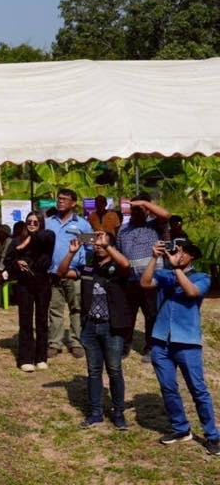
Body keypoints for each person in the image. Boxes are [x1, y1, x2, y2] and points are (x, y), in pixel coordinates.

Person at [141, 239, 219, 455]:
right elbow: (145, 283)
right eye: (176, 251)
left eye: (182, 252)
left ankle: (213, 436)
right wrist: (155, 257)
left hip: (187, 342)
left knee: (198, 390)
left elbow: (192, 292)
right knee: (168, 388)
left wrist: (176, 268)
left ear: (192, 256)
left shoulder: (202, 277)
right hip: (160, 340)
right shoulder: (166, 275)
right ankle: (181, 429)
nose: (178, 254)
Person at [57, 230, 131, 430]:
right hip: (90, 326)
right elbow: (62, 272)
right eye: (96, 242)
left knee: (114, 370)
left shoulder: (118, 266)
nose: (98, 244)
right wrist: (72, 252)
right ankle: (96, 412)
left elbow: (126, 265)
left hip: (112, 326)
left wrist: (107, 246)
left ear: (111, 245)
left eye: (102, 241)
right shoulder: (89, 266)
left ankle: (118, 413)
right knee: (93, 371)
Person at [119, 194, 170, 360]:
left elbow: (166, 215)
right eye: (133, 210)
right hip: (130, 279)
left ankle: (151, 347)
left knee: (151, 314)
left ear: (147, 210)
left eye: (139, 209)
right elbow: (120, 252)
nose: (135, 213)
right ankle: (125, 346)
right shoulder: (123, 229)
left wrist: (143, 202)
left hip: (152, 279)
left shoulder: (154, 225)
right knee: (127, 314)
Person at [3, 215, 54, 372]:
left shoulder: (46, 239)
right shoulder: (16, 240)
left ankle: (41, 357)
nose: (32, 224)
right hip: (24, 285)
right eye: (29, 222)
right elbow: (8, 260)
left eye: (35, 222)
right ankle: (25, 358)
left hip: (42, 284)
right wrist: (17, 263)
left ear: (41, 224)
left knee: (42, 321)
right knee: (25, 321)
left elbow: (49, 237)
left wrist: (28, 241)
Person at [45, 188, 91, 359]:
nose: (60, 201)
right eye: (59, 198)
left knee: (77, 309)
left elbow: (91, 249)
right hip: (53, 274)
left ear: (73, 203)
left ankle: (76, 342)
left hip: (73, 274)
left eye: (65, 199)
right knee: (55, 310)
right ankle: (54, 343)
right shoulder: (49, 222)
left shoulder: (82, 224)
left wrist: (80, 270)